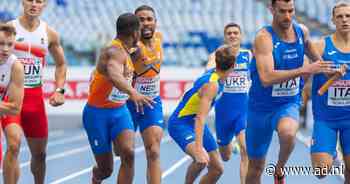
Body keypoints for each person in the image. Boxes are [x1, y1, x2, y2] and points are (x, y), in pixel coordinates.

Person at [246, 0, 335, 183]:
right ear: (272, 10)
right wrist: (304, 70)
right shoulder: (264, 38)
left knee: (288, 133)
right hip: (260, 108)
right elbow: (266, 78)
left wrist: (327, 69)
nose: (287, 16)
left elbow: (309, 48)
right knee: (255, 167)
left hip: (287, 102)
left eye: (291, 11)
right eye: (282, 11)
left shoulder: (301, 31)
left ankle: (279, 169)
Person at [82, 13, 154, 184]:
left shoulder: (128, 51)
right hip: (97, 115)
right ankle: (96, 177)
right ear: (135, 33)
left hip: (119, 111)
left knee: (128, 153)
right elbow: (115, 76)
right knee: (106, 170)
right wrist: (133, 92)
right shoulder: (113, 51)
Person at [5, 0, 67, 183]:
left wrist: (60, 90)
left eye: (38, 1)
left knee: (39, 155)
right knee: (14, 146)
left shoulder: (49, 33)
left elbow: (61, 64)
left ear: (45, 4)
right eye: (29, 0)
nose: (33, 4)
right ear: (22, 2)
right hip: (11, 98)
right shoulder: (8, 29)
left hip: (35, 100)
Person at [168, 45, 236, 184]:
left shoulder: (212, 69)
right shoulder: (212, 85)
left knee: (217, 169)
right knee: (202, 160)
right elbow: (200, 118)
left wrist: (225, 47)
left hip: (194, 122)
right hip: (181, 123)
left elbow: (212, 56)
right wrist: (199, 149)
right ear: (234, 65)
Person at [206, 23, 250, 184]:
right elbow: (208, 69)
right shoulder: (217, 55)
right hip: (223, 112)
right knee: (225, 156)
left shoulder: (248, 55)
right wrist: (212, 68)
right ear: (225, 37)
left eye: (235, 33)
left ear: (241, 36)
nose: (232, 35)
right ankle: (231, 145)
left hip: (243, 110)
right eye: (229, 33)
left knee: (247, 150)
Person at [311, 1, 350, 182]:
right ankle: (333, 154)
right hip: (326, 119)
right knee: (320, 171)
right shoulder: (321, 46)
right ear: (333, 20)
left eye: (348, 16)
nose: (344, 20)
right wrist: (329, 73)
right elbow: (306, 73)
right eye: (340, 16)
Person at [126, 5, 164, 184]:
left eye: (149, 19)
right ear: (134, 24)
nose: (146, 23)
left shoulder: (159, 38)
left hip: (151, 102)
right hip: (128, 103)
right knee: (125, 154)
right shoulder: (130, 46)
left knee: (154, 151)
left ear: (155, 22)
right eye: (141, 20)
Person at [0, 24, 24, 183]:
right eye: (1, 44)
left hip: (6, 103)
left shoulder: (15, 66)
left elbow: (15, 108)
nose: (6, 49)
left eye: (10, 44)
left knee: (15, 142)